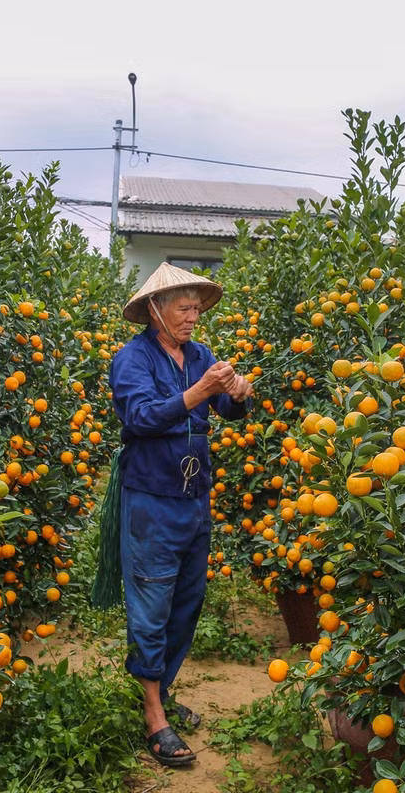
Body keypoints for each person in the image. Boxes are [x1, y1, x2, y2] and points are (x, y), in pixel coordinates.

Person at [109, 263, 254, 767]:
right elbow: (141, 417)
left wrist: (239, 393)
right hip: (151, 498)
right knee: (151, 603)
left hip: (194, 496)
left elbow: (227, 411)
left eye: (197, 308)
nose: (193, 317)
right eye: (183, 308)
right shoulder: (132, 358)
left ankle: (159, 690)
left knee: (186, 602)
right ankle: (153, 715)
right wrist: (198, 392)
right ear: (155, 310)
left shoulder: (201, 355)